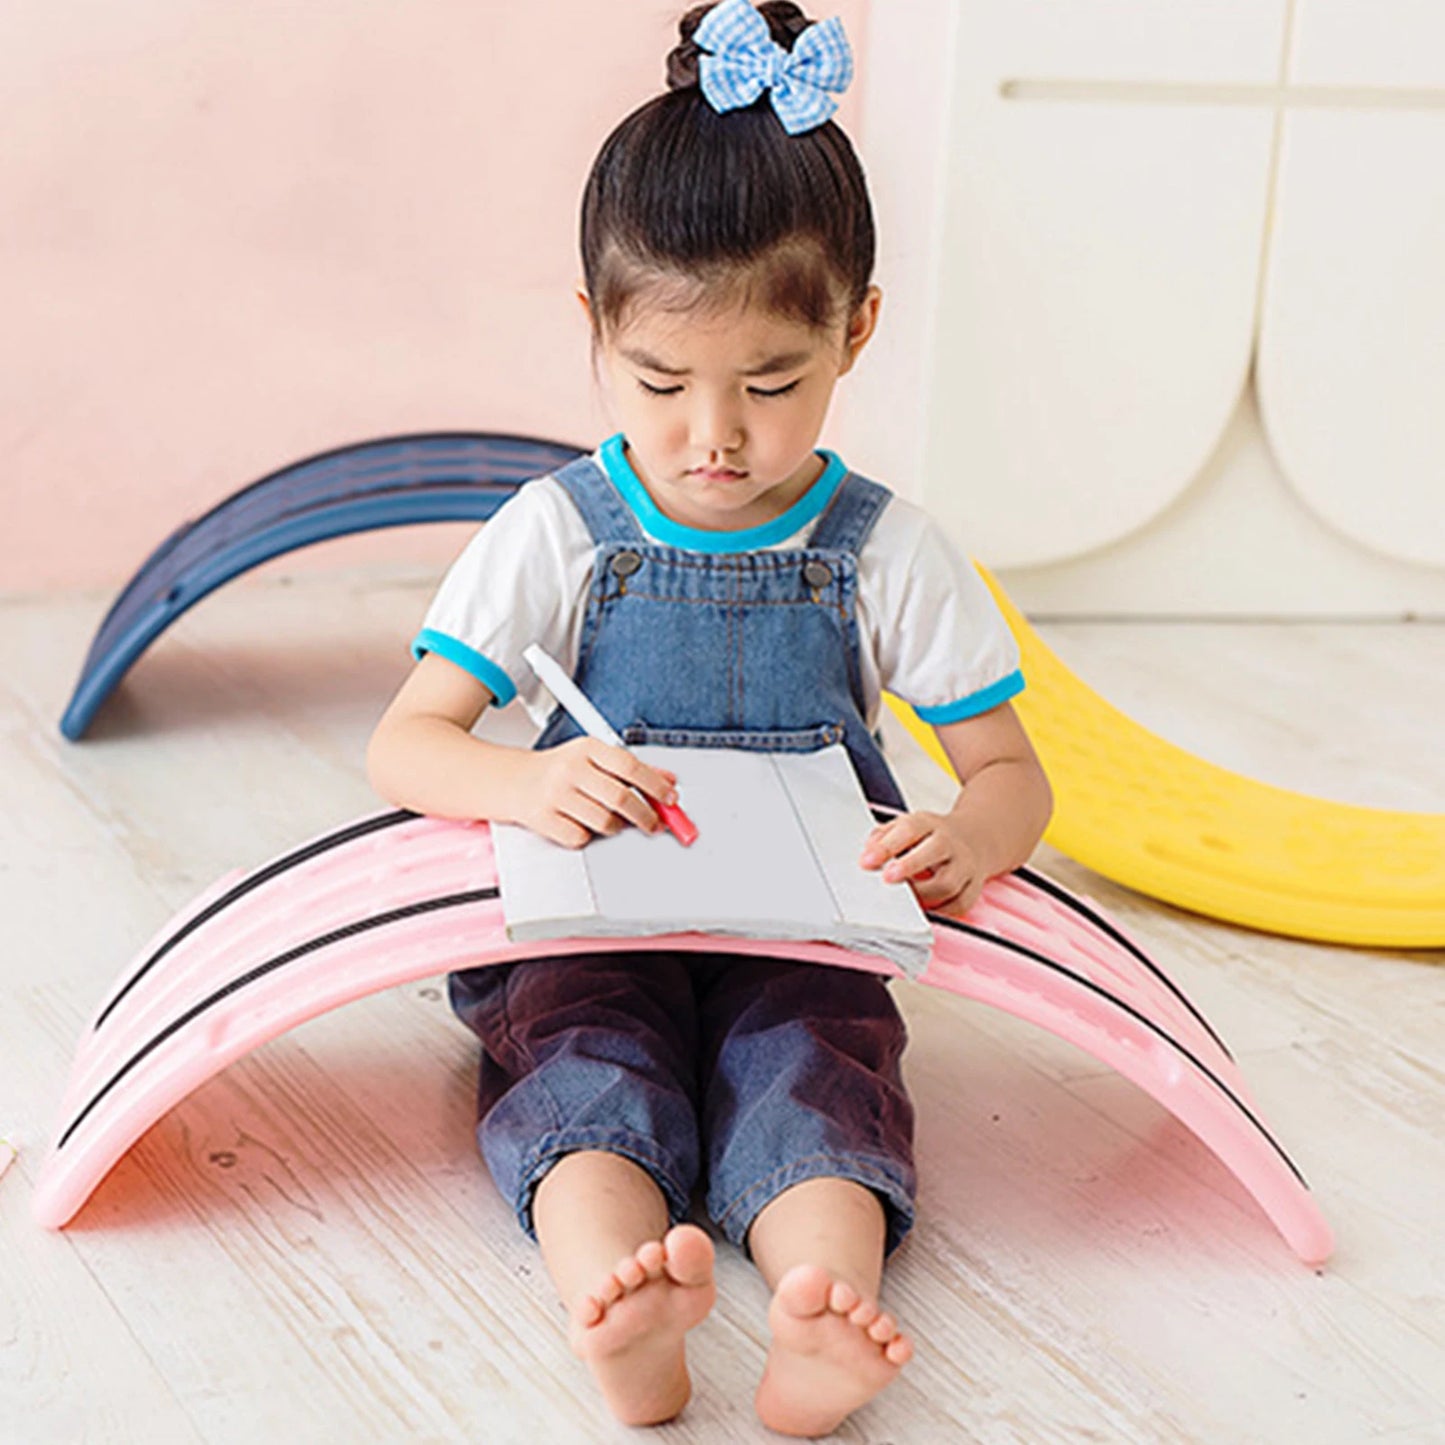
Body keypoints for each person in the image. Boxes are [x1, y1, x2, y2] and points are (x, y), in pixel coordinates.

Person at [367, 0, 1052, 1433]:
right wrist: (520, 788)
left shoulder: (883, 548)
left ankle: (816, 1309)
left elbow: (1007, 771)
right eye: (660, 382)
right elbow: (406, 739)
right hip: (594, 914)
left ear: (855, 332)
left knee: (817, 1070)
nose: (714, 437)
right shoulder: (557, 528)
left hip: (799, 924)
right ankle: (620, 1298)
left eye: (772, 384)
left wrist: (966, 833)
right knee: (579, 1071)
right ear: (593, 333)